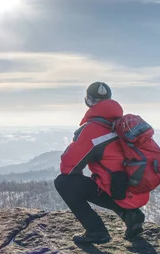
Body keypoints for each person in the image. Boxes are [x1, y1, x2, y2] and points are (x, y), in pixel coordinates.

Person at [54, 81, 148, 245]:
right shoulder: (125, 125)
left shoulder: (92, 129)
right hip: (135, 188)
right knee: (108, 177)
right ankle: (129, 213)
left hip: (117, 190)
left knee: (64, 182)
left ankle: (96, 231)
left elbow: (68, 167)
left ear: (88, 101)